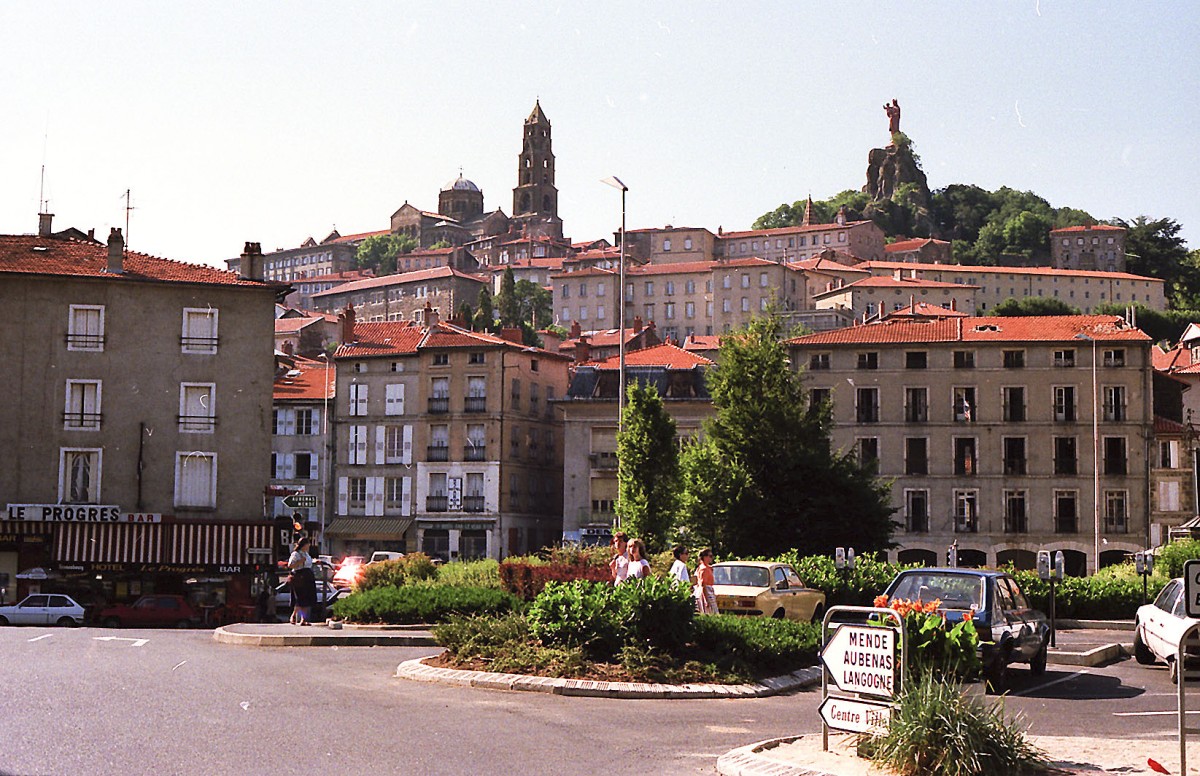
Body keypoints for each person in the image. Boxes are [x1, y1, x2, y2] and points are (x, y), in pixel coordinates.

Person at [288, 536, 318, 626]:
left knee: (307, 598)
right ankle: (294, 616)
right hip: (300, 577)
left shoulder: (306, 554)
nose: (308, 546)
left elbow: (309, 563)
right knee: (301, 598)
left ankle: (303, 619)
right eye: (307, 544)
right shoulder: (296, 554)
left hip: (308, 577)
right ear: (303, 545)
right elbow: (290, 565)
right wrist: (300, 561)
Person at [695, 548, 718, 615]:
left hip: (709, 590)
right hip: (706, 591)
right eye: (710, 556)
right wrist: (706, 600)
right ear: (704, 557)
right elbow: (703, 584)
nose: (711, 558)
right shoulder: (703, 569)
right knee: (711, 613)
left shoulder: (707, 567)